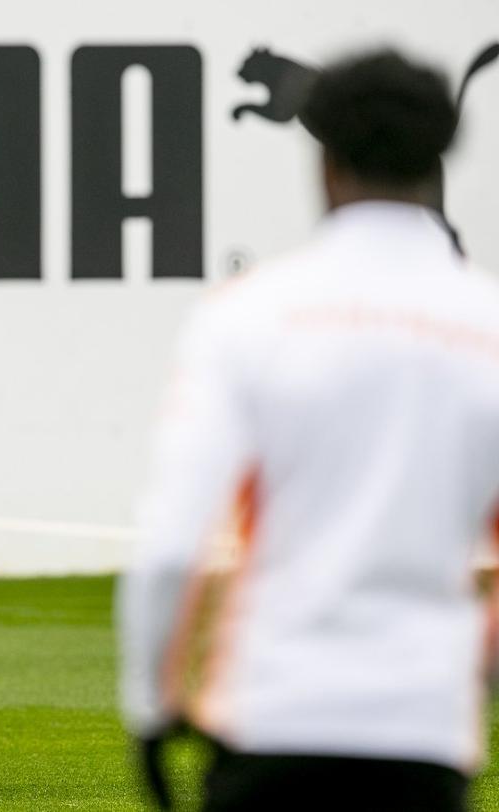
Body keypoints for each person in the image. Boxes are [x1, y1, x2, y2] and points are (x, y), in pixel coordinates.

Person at [120, 49, 499, 811]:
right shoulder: (488, 325)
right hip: (421, 737)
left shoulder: (247, 315)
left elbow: (171, 543)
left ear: (324, 161)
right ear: (440, 156)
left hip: (272, 714)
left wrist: (151, 708)